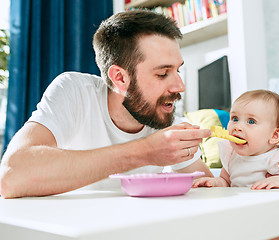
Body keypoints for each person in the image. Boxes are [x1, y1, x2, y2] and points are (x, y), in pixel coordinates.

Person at [0, 10, 213, 199]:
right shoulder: (74, 92)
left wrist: (238, 172)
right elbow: (11, 176)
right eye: (162, 73)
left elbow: (207, 186)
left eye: (178, 70)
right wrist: (144, 152)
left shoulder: (161, 114)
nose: (180, 86)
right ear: (119, 78)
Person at [193, 90, 279, 240]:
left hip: (277, 222)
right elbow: (226, 181)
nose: (237, 127)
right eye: (235, 118)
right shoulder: (231, 155)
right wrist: (214, 182)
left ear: (274, 135)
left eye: (251, 121)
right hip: (242, 221)